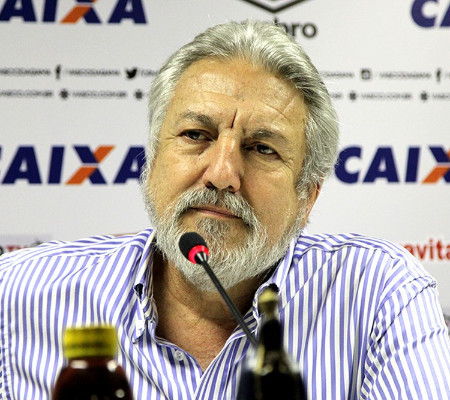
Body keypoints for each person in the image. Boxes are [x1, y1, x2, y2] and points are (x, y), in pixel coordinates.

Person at [0, 20, 449, 400]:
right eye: (196, 135)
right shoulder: (16, 296)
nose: (221, 174)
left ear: (307, 197)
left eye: (262, 148)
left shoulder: (379, 295)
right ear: (152, 162)